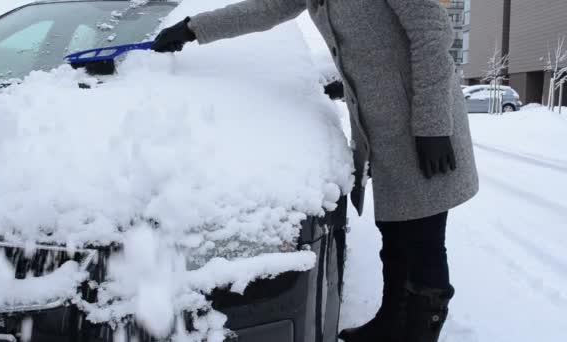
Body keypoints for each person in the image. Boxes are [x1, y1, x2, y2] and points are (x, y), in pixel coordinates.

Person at [151, 1, 479, 341]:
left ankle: (418, 332)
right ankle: (391, 321)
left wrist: (432, 126)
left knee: (423, 240)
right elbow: (264, 10)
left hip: (423, 126)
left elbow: (432, 34)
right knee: (394, 236)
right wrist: (192, 28)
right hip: (385, 133)